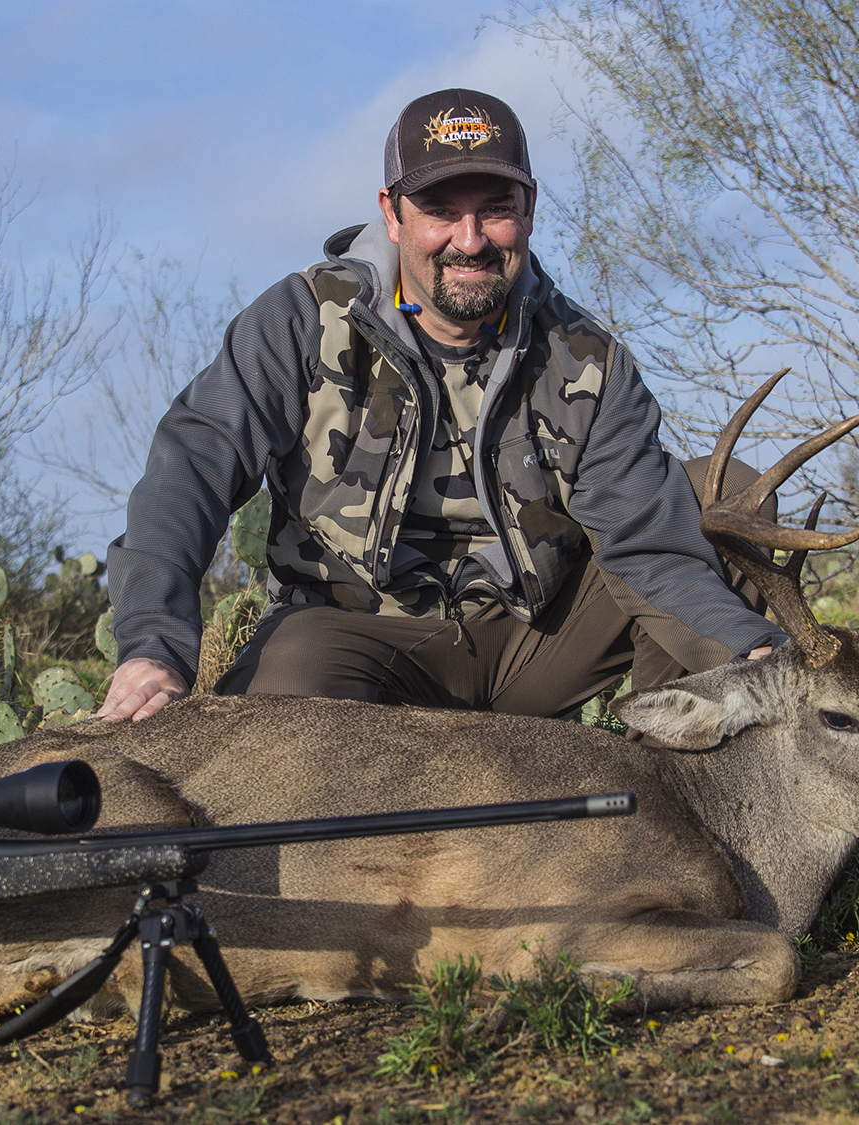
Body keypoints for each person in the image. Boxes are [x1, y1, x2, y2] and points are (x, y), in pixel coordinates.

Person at [99, 89, 784, 724]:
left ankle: (662, 782)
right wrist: (153, 647)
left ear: (529, 208)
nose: (469, 238)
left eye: (494, 207)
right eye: (440, 211)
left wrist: (750, 653)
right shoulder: (301, 320)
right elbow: (188, 470)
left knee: (719, 495)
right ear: (392, 214)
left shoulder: (588, 360)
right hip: (365, 637)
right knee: (287, 695)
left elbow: (645, 542)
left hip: (531, 643)